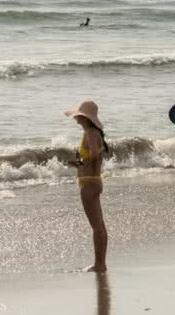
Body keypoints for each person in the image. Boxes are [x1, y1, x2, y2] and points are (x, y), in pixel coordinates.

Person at [64, 100, 109, 272]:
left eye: (78, 116)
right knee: (99, 226)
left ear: (85, 118)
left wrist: (80, 162)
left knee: (96, 226)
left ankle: (99, 264)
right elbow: (95, 156)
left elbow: (94, 157)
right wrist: (79, 162)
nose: (76, 119)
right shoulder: (95, 133)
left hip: (89, 183)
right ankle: (100, 263)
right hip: (94, 180)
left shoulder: (90, 133)